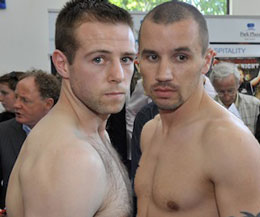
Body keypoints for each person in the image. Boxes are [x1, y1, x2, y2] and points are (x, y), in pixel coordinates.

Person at [6, 0, 136, 216]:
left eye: (126, 58)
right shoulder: (72, 158)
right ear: (62, 63)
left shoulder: (93, 133)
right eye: (98, 59)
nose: (119, 75)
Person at [134, 1, 260, 217]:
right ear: (139, 62)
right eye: (152, 57)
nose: (164, 74)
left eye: (181, 57)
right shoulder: (149, 131)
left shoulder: (231, 143)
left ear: (207, 61)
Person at [0, 69, 60, 212]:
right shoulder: (3, 133)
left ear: (48, 104)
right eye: (16, 97)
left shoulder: (69, 135)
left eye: (25, 100)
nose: (16, 105)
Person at [210, 61, 260, 134]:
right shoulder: (206, 108)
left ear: (238, 84)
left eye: (230, 91)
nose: (227, 97)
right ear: (214, 87)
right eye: (221, 92)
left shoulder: (254, 105)